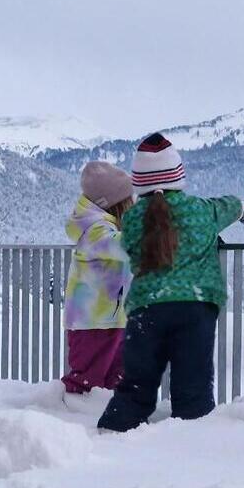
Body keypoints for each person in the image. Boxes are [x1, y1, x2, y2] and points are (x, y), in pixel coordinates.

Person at [98, 132, 244, 432]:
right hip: (195, 309)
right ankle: (192, 455)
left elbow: (127, 246)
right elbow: (233, 205)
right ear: (178, 175)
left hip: (146, 310)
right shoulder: (203, 210)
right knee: (193, 392)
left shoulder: (133, 219)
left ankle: (107, 443)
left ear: (140, 180)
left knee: (135, 389)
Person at [61, 161, 134, 394]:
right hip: (92, 322)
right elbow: (123, 247)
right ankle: (72, 423)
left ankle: (111, 425)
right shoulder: (95, 230)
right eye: (128, 200)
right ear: (115, 205)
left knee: (116, 381)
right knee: (86, 383)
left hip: (111, 318)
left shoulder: (102, 227)